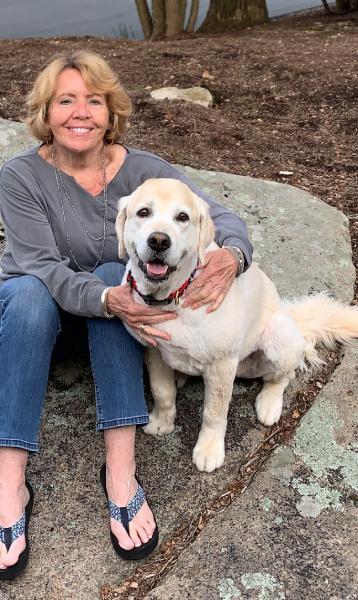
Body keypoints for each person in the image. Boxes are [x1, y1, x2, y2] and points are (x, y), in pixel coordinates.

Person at [0, 50, 253, 578]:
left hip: (111, 316)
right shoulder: (20, 177)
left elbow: (219, 215)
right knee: (36, 292)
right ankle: (9, 482)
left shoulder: (144, 171)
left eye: (93, 101)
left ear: (110, 113)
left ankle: (121, 470)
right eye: (64, 100)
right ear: (45, 114)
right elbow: (41, 266)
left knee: (122, 276)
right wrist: (107, 298)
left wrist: (231, 255)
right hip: (36, 313)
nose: (80, 112)